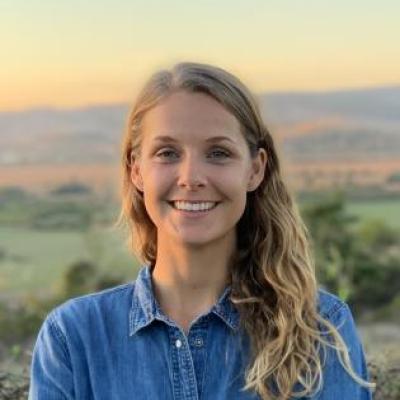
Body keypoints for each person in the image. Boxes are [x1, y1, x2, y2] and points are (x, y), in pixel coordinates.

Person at [28, 62, 375, 399]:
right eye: (167, 153)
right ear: (136, 170)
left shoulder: (319, 328)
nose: (191, 178)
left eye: (218, 153)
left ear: (255, 170)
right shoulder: (73, 338)